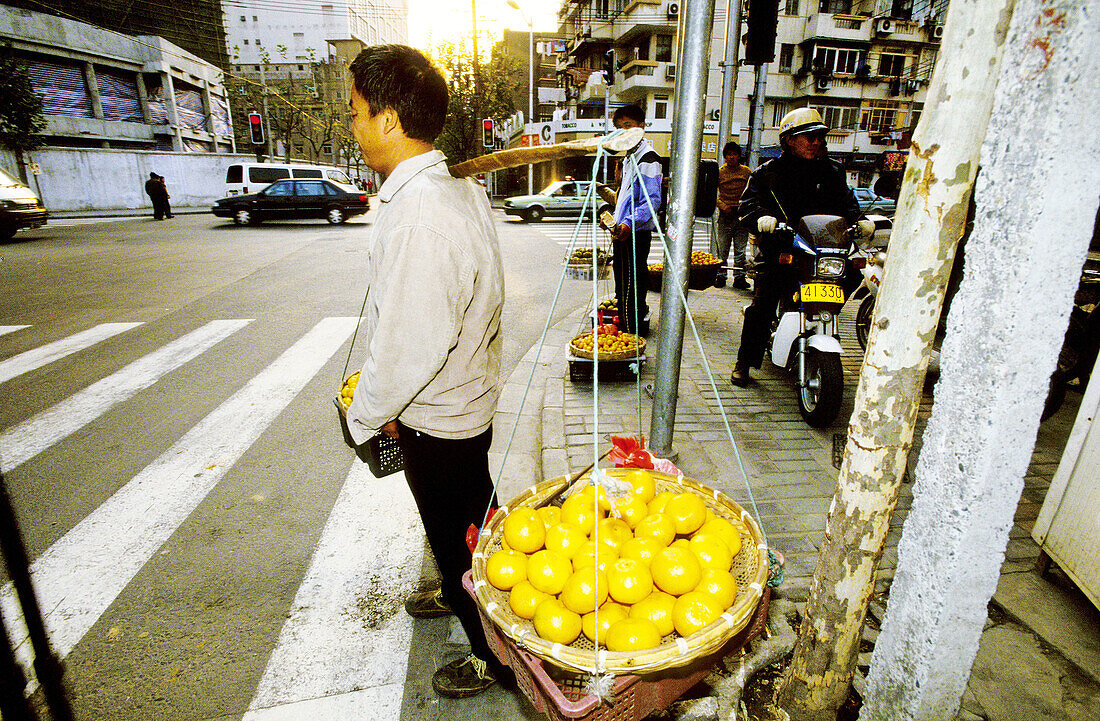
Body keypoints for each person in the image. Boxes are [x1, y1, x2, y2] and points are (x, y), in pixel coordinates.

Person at [342, 44, 507, 699]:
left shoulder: (421, 214)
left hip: (439, 416)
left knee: (463, 533)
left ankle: (493, 654)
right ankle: (461, 586)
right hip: (457, 402)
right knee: (469, 521)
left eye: (355, 114)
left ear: (387, 121)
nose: (350, 127)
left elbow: (411, 346)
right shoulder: (450, 187)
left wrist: (363, 413)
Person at [729, 108, 873, 386]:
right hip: (782, 250)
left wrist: (862, 222)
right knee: (763, 304)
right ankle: (744, 361)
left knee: (852, 275)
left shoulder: (834, 170)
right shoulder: (767, 173)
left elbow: (848, 204)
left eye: (819, 136)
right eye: (808, 137)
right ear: (789, 140)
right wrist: (762, 218)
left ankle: (816, 328)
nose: (816, 142)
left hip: (824, 251)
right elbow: (747, 206)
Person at [610, 104, 663, 336]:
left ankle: (631, 334)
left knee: (632, 284)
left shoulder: (648, 158)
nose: (624, 132)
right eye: (619, 128)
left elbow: (652, 201)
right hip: (622, 231)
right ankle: (625, 327)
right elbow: (627, 196)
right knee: (622, 284)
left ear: (642, 127)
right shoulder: (629, 157)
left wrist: (628, 222)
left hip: (635, 233)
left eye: (628, 126)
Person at [712, 141, 752, 289]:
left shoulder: (747, 172)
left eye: (734, 154)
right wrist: (722, 205)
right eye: (729, 154)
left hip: (741, 215)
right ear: (725, 157)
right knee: (722, 249)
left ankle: (739, 278)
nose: (732, 157)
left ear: (739, 156)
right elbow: (712, 193)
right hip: (725, 215)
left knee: (741, 250)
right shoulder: (720, 172)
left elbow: (753, 191)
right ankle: (720, 276)